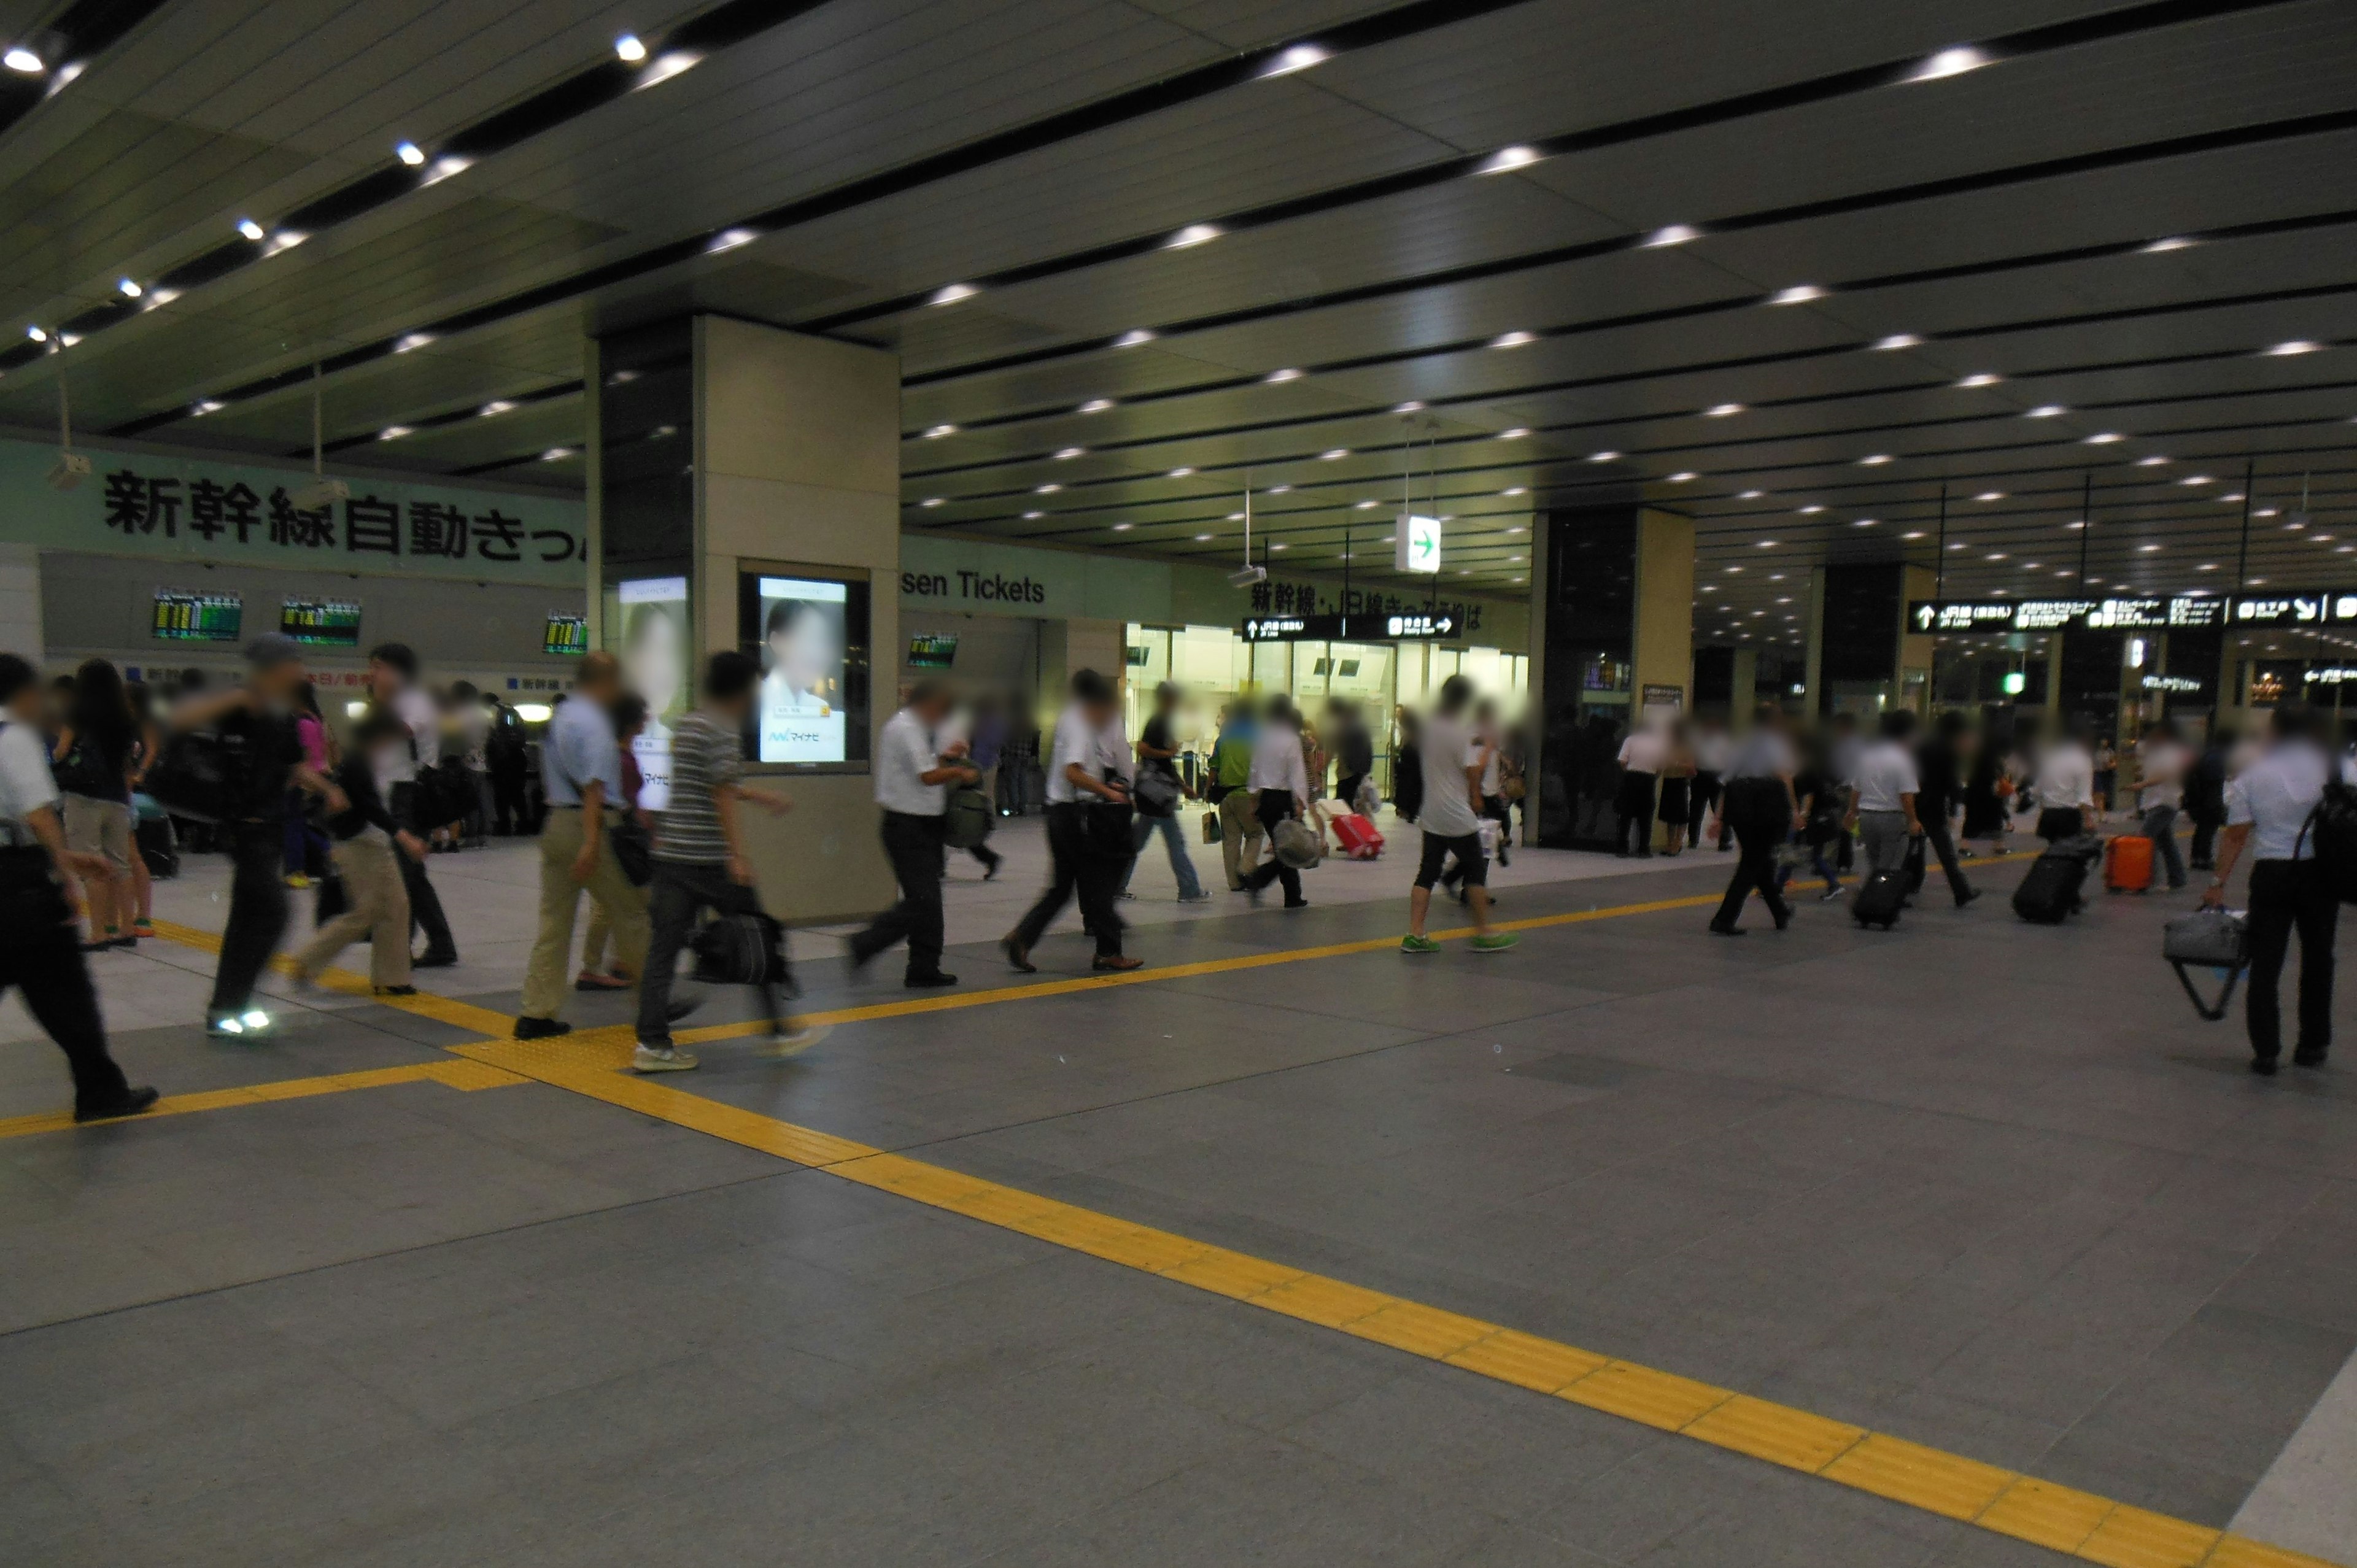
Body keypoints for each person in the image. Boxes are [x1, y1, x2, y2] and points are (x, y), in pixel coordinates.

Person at [0, 653, 158, 1123]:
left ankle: (101, 1088)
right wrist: (64, 876)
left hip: (12, 870)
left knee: (59, 990)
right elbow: (37, 812)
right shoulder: (16, 737)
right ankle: (100, 1092)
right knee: (66, 990)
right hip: (20, 884)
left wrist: (67, 857)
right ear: (26, 694)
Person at [171, 636, 346, 1037]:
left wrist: (329, 790)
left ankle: (226, 1009)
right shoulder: (242, 703)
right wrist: (236, 699)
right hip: (244, 827)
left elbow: (295, 767)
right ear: (275, 666)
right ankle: (235, 1004)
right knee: (272, 912)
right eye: (294, 661)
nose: (300, 669)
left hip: (270, 828)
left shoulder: (283, 715)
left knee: (248, 918)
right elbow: (179, 720)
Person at [635, 651, 800, 1071]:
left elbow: (710, 784)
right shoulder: (725, 729)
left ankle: (653, 1045)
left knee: (662, 952)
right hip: (710, 862)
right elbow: (722, 793)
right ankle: (778, 1032)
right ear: (743, 689)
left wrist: (760, 796)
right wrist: (738, 855)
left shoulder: (689, 723)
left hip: (671, 856)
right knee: (759, 934)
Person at [515, 652, 654, 1040]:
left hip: (556, 824)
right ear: (606, 682)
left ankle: (536, 1013)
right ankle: (654, 1006)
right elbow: (594, 788)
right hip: (588, 826)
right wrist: (592, 843)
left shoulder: (561, 717)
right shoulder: (594, 723)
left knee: (554, 923)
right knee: (631, 914)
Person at [2205, 704, 2348, 1074]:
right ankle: (2313, 1046)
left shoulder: (2254, 773)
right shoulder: (2336, 768)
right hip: (2321, 875)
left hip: (2272, 874)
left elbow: (2236, 835)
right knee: (2319, 959)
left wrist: (2217, 883)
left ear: (2277, 731)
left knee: (2266, 963)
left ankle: (2266, 1051)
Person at [1004, 670, 1140, 972]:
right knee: (1099, 884)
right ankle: (1108, 952)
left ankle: (1023, 936)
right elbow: (1073, 772)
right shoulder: (1080, 723)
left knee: (1063, 887)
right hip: (1077, 816)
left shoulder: (1069, 717)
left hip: (1058, 813)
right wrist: (1109, 791)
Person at [291, 709, 427, 995]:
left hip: (367, 841)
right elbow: (369, 806)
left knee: (394, 906)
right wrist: (404, 837)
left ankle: (392, 977)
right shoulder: (357, 762)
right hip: (361, 843)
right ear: (379, 735)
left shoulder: (363, 759)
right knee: (374, 910)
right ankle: (308, 961)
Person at [851, 678, 970, 988]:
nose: (943, 714)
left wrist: (948, 759)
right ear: (927, 703)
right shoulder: (906, 728)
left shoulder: (915, 728)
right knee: (922, 900)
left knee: (928, 901)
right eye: (941, 707)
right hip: (907, 827)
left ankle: (924, 966)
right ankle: (866, 943)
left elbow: (928, 768)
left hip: (923, 824)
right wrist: (959, 771)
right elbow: (928, 777)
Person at [1401, 676, 1517, 954]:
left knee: (1427, 872)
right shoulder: (1457, 732)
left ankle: (1415, 934)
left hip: (1432, 813)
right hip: (1457, 815)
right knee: (1476, 870)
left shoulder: (1429, 727)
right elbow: (1472, 770)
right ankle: (1483, 933)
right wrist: (1486, 757)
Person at [365, 644, 457, 968]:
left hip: (409, 795)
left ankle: (405, 947)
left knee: (406, 874)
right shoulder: (390, 702)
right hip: (390, 795)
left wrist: (380, 702)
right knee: (410, 874)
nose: (372, 673)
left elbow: (402, 731)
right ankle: (437, 944)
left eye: (378, 666)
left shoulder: (415, 701)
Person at [50, 657, 139, 949]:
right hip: (117, 798)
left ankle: (99, 933)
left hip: (84, 795)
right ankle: (127, 929)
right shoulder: (126, 717)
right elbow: (128, 762)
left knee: (91, 866)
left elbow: (61, 752)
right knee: (121, 865)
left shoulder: (79, 711)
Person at [576, 692, 650, 993]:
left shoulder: (621, 753)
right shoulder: (616, 757)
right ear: (632, 722)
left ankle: (616, 962)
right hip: (614, 834)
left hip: (618, 832)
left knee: (617, 903)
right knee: (614, 904)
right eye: (643, 715)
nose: (648, 719)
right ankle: (595, 967)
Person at [1707, 704, 1800, 935]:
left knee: (1761, 862)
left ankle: (1780, 912)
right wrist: (1795, 811)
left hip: (1741, 811)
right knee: (1752, 864)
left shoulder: (1742, 743)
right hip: (1766, 811)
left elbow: (1727, 783)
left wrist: (1719, 817)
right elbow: (1784, 776)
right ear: (1773, 721)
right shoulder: (1775, 744)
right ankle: (1724, 919)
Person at [1121, 681, 1208, 903]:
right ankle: (1189, 889)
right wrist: (1169, 752)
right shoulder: (1159, 722)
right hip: (1159, 797)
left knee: (1136, 843)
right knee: (1175, 843)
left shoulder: (1160, 721)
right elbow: (1144, 749)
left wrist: (1182, 784)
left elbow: (1162, 761)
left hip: (1152, 796)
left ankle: (1117, 885)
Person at [1242, 695, 1312, 909]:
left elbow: (1254, 770)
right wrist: (1301, 801)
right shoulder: (1291, 739)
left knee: (1284, 847)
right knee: (1286, 849)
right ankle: (1258, 879)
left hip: (1265, 798)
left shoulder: (1262, 738)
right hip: (1282, 800)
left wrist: (1254, 800)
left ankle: (1292, 895)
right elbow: (1297, 773)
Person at [1908, 710, 1980, 907]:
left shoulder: (1922, 747)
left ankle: (1912, 884)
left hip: (1915, 804)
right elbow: (1952, 784)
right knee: (1946, 854)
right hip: (1935, 808)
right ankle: (1962, 891)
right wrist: (1954, 812)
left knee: (1915, 848)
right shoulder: (1949, 751)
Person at [1846, 709, 1923, 876]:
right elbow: (1906, 795)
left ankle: (1874, 896)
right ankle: (1883, 899)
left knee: (1874, 864)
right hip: (1892, 818)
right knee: (1891, 866)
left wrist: (1851, 812)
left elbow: (1856, 788)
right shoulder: (1902, 759)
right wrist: (1913, 821)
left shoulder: (1867, 755)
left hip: (1867, 817)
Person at [280, 681, 330, 889]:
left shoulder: (302, 722)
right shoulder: (316, 719)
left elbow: (307, 755)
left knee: (293, 827)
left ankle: (297, 871)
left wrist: (296, 781)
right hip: (315, 777)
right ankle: (330, 855)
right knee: (300, 826)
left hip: (305, 780)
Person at [1782, 741, 1845, 902]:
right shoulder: (1811, 771)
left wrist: (1802, 815)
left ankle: (1834, 885)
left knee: (1794, 852)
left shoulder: (1806, 773)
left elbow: (1809, 796)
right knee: (1804, 854)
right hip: (1818, 818)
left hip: (1813, 819)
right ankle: (1834, 884)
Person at [1210, 701, 1263, 890]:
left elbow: (1214, 767)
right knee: (1256, 834)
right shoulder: (1258, 736)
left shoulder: (1223, 738)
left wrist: (1209, 791)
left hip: (1226, 795)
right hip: (1248, 794)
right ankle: (1246, 867)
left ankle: (1234, 883)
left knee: (1231, 839)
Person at [2135, 719, 2192, 892]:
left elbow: (2166, 775)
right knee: (2166, 843)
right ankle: (2178, 878)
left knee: (2145, 838)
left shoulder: (2171, 753)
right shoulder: (2156, 752)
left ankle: (2145, 879)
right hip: (2154, 801)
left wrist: (2141, 785)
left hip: (2165, 802)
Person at [2030, 719, 2097, 843]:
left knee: (2053, 851)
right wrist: (2088, 819)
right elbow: (2084, 795)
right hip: (2069, 815)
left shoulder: (2051, 757)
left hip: (2048, 813)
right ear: (2083, 739)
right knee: (2068, 854)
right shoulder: (2083, 760)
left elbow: (2038, 787)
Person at [1614, 719, 1665, 857]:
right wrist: (1654, 777)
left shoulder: (1630, 740)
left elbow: (1623, 761)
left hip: (1631, 777)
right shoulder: (1658, 743)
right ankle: (1644, 849)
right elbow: (1661, 766)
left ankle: (1622, 848)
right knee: (1646, 816)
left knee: (1625, 815)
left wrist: (1629, 774)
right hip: (1649, 779)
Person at [2186, 724, 2232, 871]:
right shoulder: (2217, 757)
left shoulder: (2209, 754)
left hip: (2201, 798)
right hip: (2210, 800)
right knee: (2208, 830)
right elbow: (2215, 780)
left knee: (2202, 830)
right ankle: (2204, 859)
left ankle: (2197, 858)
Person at [486, 692, 529, 835]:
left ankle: (504, 826)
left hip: (502, 759)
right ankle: (524, 824)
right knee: (518, 794)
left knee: (502, 795)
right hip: (519, 757)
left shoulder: (493, 710)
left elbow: (489, 733)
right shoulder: (512, 710)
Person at [1690, 717, 1732, 851]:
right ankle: (1693, 839)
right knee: (1696, 808)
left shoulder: (1723, 740)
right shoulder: (1697, 739)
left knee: (1719, 808)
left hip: (1717, 774)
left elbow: (1728, 758)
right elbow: (1692, 755)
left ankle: (1724, 840)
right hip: (1701, 774)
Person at [1329, 698, 1374, 817]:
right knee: (1350, 801)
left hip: (1347, 772)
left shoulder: (1345, 728)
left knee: (1344, 803)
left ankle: (1351, 829)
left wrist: (1322, 766)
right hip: (1358, 771)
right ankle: (1353, 826)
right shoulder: (1361, 728)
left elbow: (1334, 749)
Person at [1658, 717, 1696, 856]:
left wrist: (1676, 764)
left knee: (1681, 814)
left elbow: (1691, 766)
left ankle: (1678, 842)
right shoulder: (1668, 746)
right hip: (1668, 780)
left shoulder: (1687, 747)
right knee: (1669, 815)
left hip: (1680, 781)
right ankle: (1669, 843)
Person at [1392, 708, 1424, 824]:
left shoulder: (1412, 738)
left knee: (1410, 795)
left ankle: (1409, 812)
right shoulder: (1415, 736)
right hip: (1412, 774)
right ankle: (1410, 813)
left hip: (1410, 774)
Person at [2092, 736, 2118, 819]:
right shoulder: (2095, 752)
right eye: (2102, 742)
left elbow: (2115, 763)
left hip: (2107, 773)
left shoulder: (2110, 752)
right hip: (2097, 773)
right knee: (2099, 793)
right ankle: (2100, 812)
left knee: (2104, 792)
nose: (2104, 744)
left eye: (2105, 742)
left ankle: (2104, 810)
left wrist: (2110, 766)